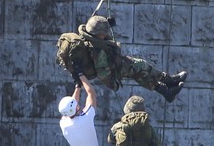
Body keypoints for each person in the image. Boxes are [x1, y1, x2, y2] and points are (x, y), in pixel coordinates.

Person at [58, 14, 187, 102]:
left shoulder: (87, 36)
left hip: (112, 62)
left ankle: (165, 91)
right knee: (141, 66)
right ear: (98, 34)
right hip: (114, 68)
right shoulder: (97, 51)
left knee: (140, 75)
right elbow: (103, 73)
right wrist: (113, 84)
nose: (105, 36)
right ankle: (168, 80)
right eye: (103, 33)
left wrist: (106, 23)